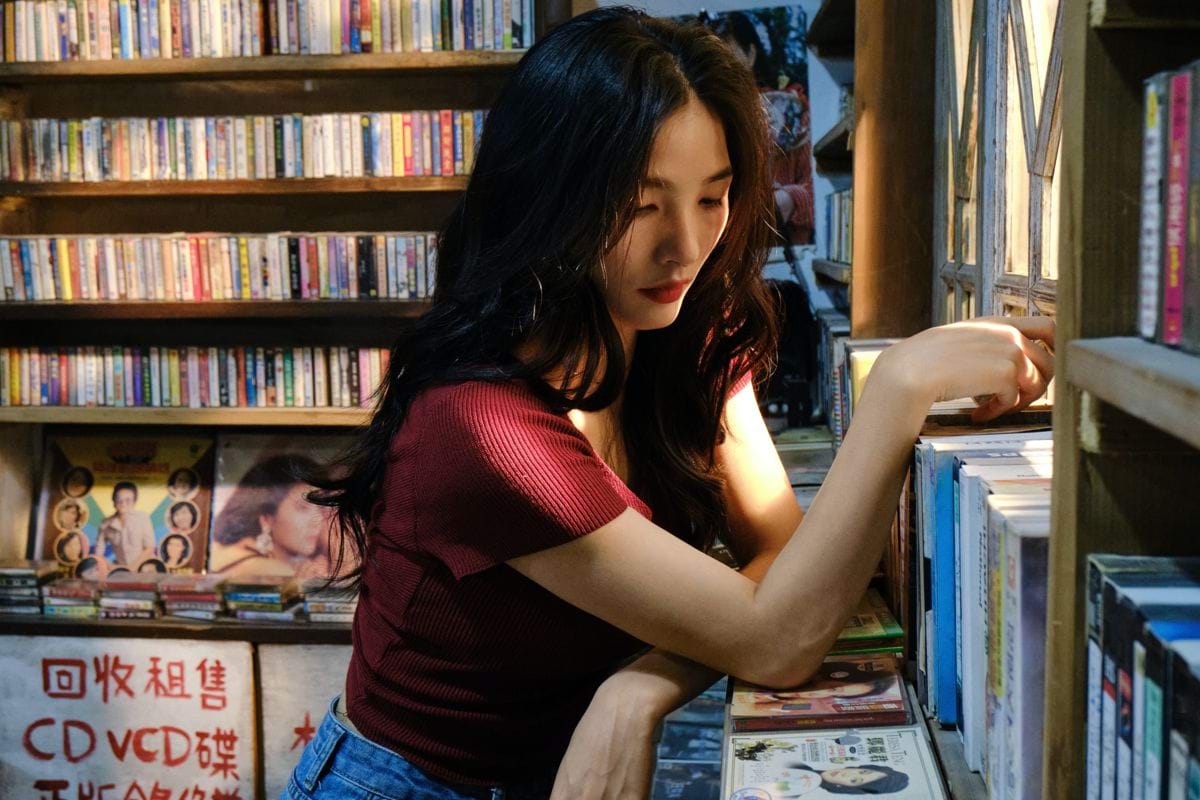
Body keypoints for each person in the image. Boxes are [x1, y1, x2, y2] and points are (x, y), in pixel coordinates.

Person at [284, 8, 1055, 800]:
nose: (685, 247)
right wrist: (894, 391)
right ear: (548, 195)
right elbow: (776, 634)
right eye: (644, 204)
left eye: (712, 198)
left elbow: (781, 561)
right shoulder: (482, 429)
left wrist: (641, 687)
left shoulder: (685, 328)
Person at [710, 10, 815, 246]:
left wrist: (784, 198)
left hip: (780, 242)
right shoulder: (708, 119)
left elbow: (811, 189)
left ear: (751, 53)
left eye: (730, 57)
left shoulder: (790, 109)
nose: (723, 71)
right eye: (715, 62)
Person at [209, 453, 337, 579]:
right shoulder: (270, 570)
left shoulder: (233, 553)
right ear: (267, 518)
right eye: (302, 508)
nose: (317, 520)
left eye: (320, 507)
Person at [95, 481, 156, 568]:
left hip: (145, 566)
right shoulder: (106, 523)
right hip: (120, 567)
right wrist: (101, 563)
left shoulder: (143, 518)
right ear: (114, 500)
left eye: (128, 500)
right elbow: (99, 548)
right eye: (119, 499)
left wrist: (132, 567)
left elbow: (149, 548)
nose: (123, 503)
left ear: (134, 502)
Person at [786, 764, 911, 795]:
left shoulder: (792, 792)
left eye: (855, 781)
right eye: (863, 771)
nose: (846, 775)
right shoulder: (801, 767)